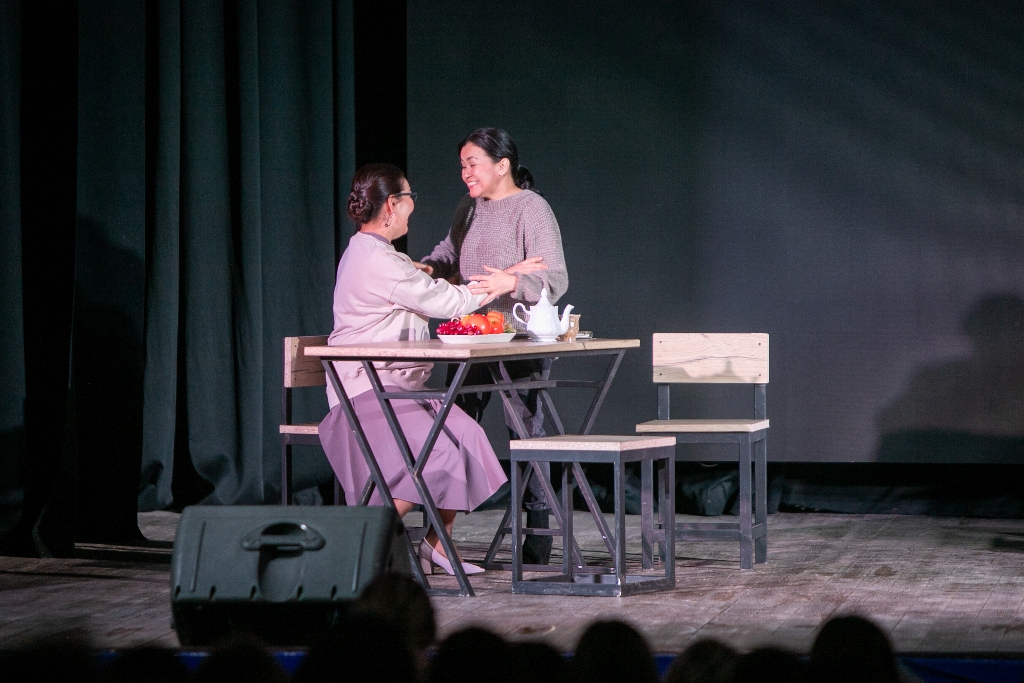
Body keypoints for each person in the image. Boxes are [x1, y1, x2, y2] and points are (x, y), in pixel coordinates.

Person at [318, 163, 509, 575]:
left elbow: (420, 287)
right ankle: (366, 535)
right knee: (439, 451)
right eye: (409, 198)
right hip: (367, 390)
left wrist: (432, 275)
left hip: (398, 390)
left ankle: (437, 544)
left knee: (468, 436)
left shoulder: (384, 256)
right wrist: (497, 284)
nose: (412, 207)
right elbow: (442, 301)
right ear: (392, 204)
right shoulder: (374, 258)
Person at [419, 128, 569, 562]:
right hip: (471, 334)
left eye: (473, 163)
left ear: (502, 165)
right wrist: (424, 268)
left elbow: (555, 277)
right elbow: (449, 254)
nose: (465, 172)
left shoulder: (531, 208)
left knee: (526, 432)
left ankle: (537, 534)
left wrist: (512, 282)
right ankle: (437, 535)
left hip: (518, 340)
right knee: (454, 427)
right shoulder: (469, 208)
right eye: (462, 165)